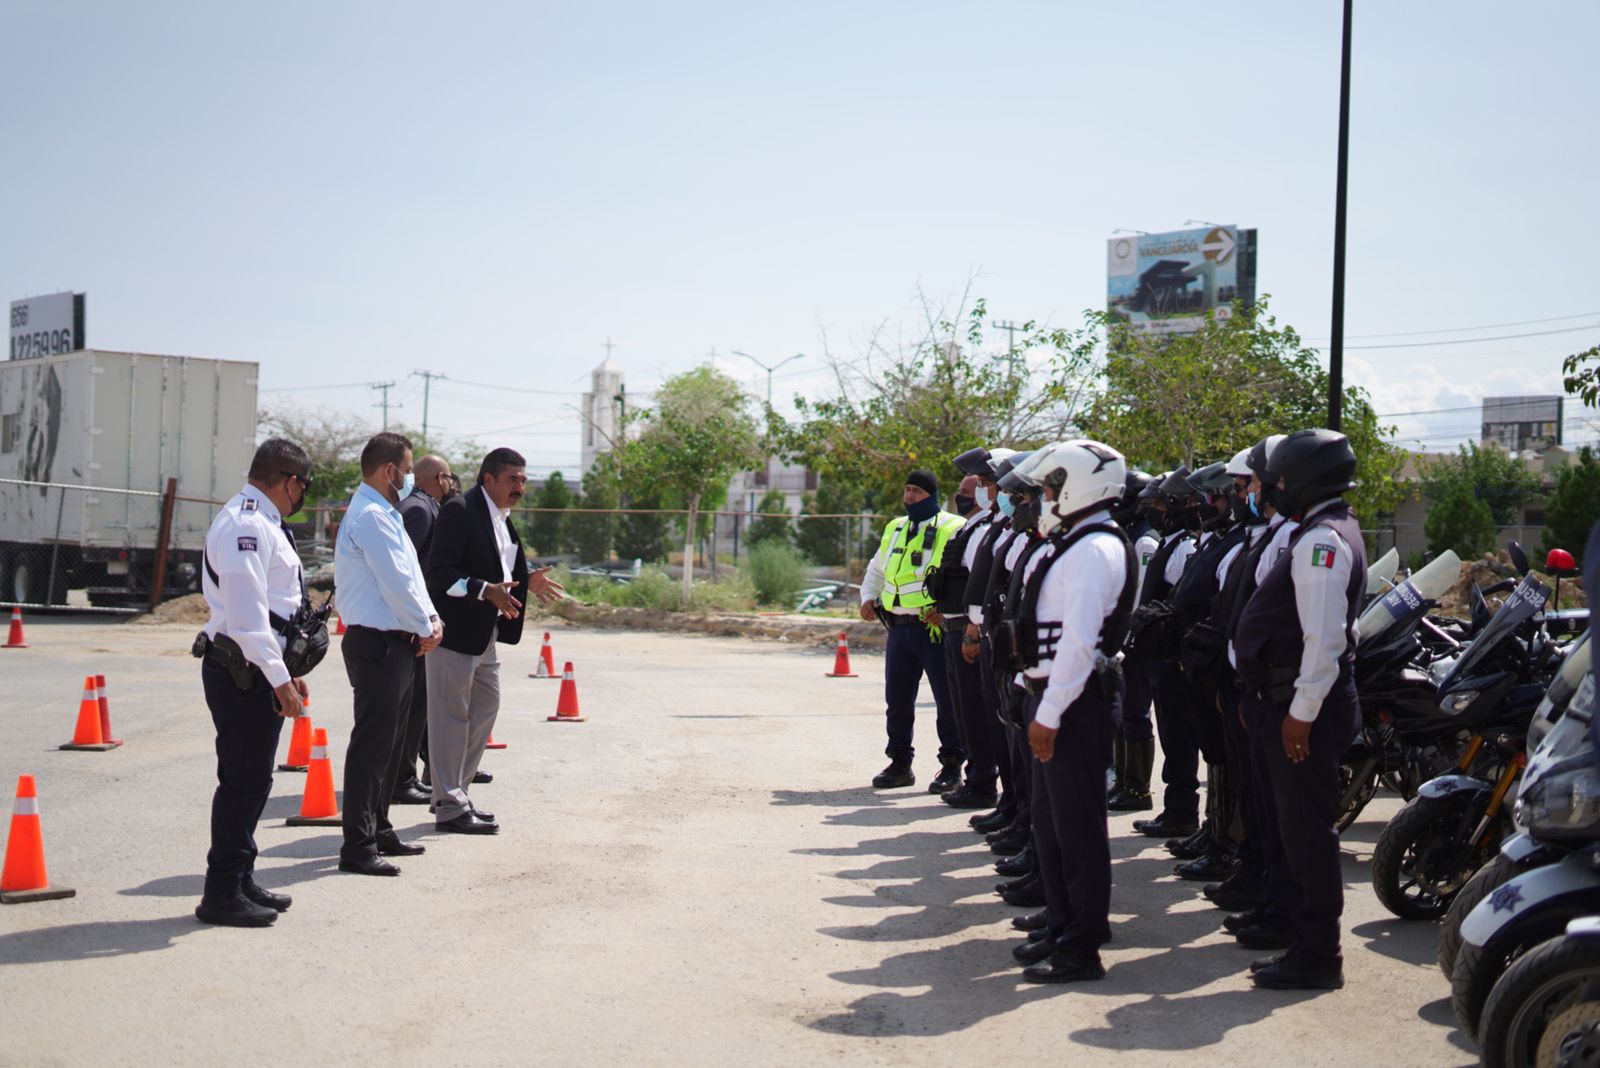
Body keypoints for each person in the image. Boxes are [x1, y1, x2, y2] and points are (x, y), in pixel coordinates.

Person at [1234, 428, 1365, 991]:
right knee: (1294, 829)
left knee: (1308, 834)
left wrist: (1301, 713)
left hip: (1301, 707)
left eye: (1282, 480)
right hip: (1289, 700)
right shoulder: (1328, 530)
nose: (1274, 488)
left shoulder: (1321, 541)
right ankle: (1300, 934)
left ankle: (1318, 954)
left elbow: (1325, 639)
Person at [1003, 440, 1135, 983]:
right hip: (1057, 700)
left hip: (1073, 706)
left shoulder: (1092, 550)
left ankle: (1080, 946)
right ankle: (1063, 926)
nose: (1046, 498)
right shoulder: (1077, 542)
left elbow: (1079, 644)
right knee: (1052, 826)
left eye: (1053, 488)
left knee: (1078, 831)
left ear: (1081, 486)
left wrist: (1049, 713)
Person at [193, 438, 318, 927]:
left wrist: (285, 675)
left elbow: (273, 609)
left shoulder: (261, 520)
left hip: (255, 670)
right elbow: (248, 619)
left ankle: (240, 878)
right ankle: (220, 892)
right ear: (290, 481)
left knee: (255, 779)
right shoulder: (247, 524)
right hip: (240, 670)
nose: (301, 495)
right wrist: (280, 679)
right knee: (242, 782)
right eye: (303, 487)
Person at [426, 447, 562, 833]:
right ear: (488, 479)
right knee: (451, 718)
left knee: (486, 708)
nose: (520, 487)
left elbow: (501, 563)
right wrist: (485, 590)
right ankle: (450, 805)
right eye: (512, 479)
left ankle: (456, 795)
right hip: (455, 631)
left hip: (485, 633)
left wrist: (528, 578)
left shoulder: (500, 516)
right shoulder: (460, 510)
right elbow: (438, 572)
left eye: (523, 479)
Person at [333, 432, 442, 876]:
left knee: (391, 743)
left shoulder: (385, 513)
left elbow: (413, 575)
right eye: (409, 467)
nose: (412, 475)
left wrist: (429, 620)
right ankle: (358, 846)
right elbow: (395, 581)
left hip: (397, 641)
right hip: (377, 642)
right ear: (389, 471)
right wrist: (425, 625)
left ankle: (378, 828)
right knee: (372, 747)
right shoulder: (372, 517)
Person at [858, 470, 967, 791]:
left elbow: (961, 574)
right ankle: (900, 763)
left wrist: (945, 609)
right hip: (899, 628)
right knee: (898, 699)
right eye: (906, 490)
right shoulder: (895, 527)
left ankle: (951, 765)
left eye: (916, 491)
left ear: (932, 495)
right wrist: (867, 597)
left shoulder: (953, 527)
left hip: (934, 628)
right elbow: (876, 568)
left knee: (946, 700)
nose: (909, 497)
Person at [934, 452, 1002, 809]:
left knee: (978, 711)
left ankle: (983, 783)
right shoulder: (974, 527)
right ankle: (979, 778)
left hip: (972, 629)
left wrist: (974, 632)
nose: (969, 494)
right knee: (964, 709)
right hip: (955, 625)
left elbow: (983, 585)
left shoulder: (991, 529)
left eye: (978, 485)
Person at [393, 454, 453, 806]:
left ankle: (414, 772)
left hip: (417, 622)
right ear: (438, 478)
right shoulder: (418, 509)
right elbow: (407, 570)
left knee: (418, 705)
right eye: (447, 478)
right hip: (413, 624)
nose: (450, 485)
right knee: (412, 706)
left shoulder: (420, 504)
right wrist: (421, 619)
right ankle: (403, 778)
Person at [1107, 470, 1158, 812]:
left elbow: (1139, 596)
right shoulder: (1126, 534)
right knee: (1124, 715)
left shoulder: (1145, 541)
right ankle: (1124, 781)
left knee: (1135, 714)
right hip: (1124, 641)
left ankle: (1138, 788)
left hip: (1137, 644)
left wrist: (1124, 640)